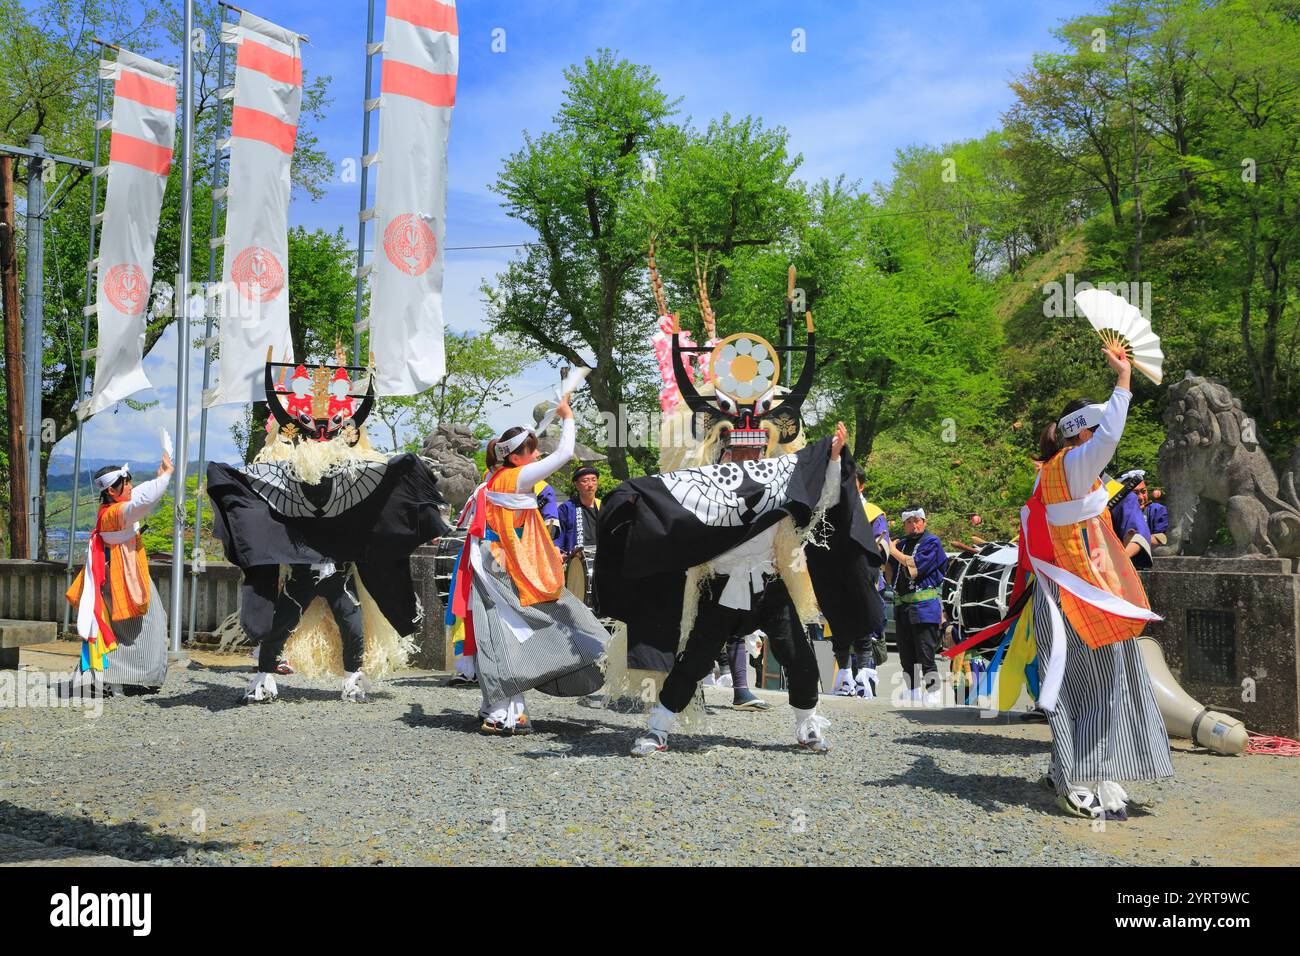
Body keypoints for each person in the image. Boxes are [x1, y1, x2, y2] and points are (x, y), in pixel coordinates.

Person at [629, 422, 852, 756]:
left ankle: (808, 725)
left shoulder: (778, 483)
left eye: (755, 450)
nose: (749, 456)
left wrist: (832, 457)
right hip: (720, 587)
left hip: (768, 583)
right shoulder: (706, 484)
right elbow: (670, 507)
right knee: (695, 661)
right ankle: (658, 728)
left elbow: (823, 496)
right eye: (742, 449)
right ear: (726, 450)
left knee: (799, 657)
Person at [1027, 347, 1172, 819]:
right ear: (1080, 434)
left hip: (1069, 593)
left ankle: (1087, 772)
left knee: (1091, 684)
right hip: (1081, 597)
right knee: (1095, 686)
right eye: (1092, 430)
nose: (1099, 438)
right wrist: (1124, 379)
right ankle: (1080, 780)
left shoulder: (1053, 473)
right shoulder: (1076, 466)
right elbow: (1111, 433)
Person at [448, 396, 610, 734]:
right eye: (533, 451)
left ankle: (504, 709)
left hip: (490, 562)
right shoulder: (518, 478)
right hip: (502, 566)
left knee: (500, 634)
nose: (537, 456)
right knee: (509, 633)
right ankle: (506, 712)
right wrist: (567, 418)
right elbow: (566, 455)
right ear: (518, 456)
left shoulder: (494, 480)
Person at [65, 452, 174, 693]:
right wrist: (165, 476)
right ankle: (119, 679)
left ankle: (121, 678)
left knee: (142, 623)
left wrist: (160, 477)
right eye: (127, 484)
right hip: (119, 576)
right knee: (139, 626)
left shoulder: (112, 508)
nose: (131, 487)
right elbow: (141, 503)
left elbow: (142, 493)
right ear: (113, 491)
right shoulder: (115, 513)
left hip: (122, 571)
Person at [832, 467, 888, 698]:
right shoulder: (833, 509)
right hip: (838, 578)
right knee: (839, 630)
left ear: (861, 486)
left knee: (864, 632)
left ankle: (865, 677)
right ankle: (844, 676)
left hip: (865, 577)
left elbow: (881, 546)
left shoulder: (874, 512)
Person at [886, 505, 948, 704]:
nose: (914, 525)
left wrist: (892, 550)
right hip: (903, 605)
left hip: (924, 606)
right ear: (904, 525)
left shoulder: (932, 542)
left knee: (926, 653)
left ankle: (933, 691)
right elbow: (890, 573)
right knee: (906, 654)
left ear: (924, 522)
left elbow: (914, 567)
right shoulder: (902, 544)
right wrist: (884, 551)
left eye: (917, 521)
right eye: (909, 522)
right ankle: (912, 690)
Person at [1109, 469, 1153, 568]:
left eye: (1144, 491)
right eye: (1135, 493)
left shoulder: (1155, 510)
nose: (1141, 497)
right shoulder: (1127, 498)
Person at [557, 465, 601, 557]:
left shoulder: (603, 506)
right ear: (576, 485)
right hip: (576, 562)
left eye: (594, 480)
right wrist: (559, 552)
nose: (590, 485)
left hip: (601, 559)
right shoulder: (566, 509)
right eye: (585, 481)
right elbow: (558, 538)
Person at [1139, 482, 1169, 547]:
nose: (1141, 497)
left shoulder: (1157, 510)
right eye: (1134, 494)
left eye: (1143, 492)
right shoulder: (1119, 513)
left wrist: (1137, 541)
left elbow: (1161, 537)